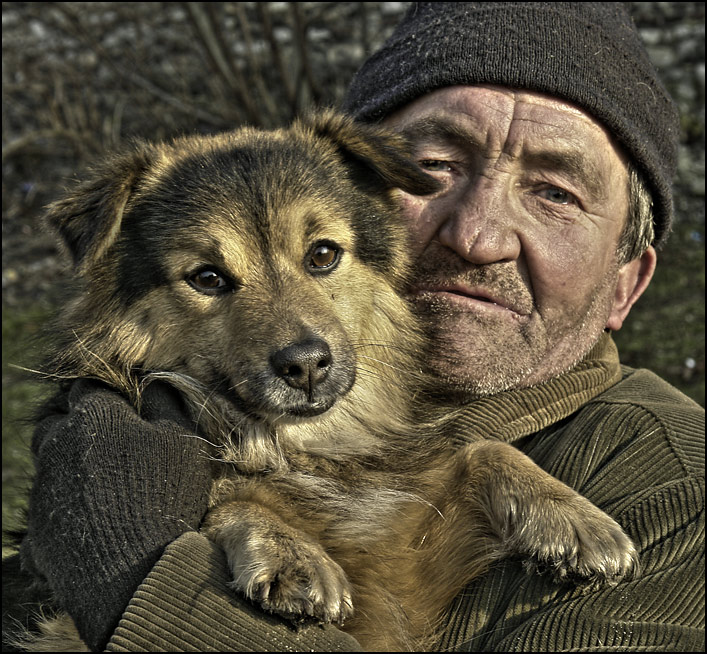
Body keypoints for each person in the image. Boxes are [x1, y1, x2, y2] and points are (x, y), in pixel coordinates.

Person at [3, 2, 704, 652]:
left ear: (627, 281)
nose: (476, 234)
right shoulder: (136, 433)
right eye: (435, 166)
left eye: (554, 192)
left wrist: (133, 570)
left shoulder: (675, 488)